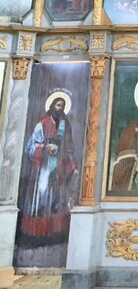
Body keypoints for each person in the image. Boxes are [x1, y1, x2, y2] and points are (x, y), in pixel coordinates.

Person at [18, 95, 79, 247]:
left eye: (62, 106)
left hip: (58, 167)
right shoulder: (43, 123)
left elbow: (69, 147)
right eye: (58, 105)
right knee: (41, 197)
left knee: (56, 200)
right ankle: (36, 235)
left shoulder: (66, 124)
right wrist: (45, 147)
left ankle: (53, 234)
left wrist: (71, 164)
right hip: (43, 168)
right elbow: (30, 147)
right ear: (52, 106)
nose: (60, 109)